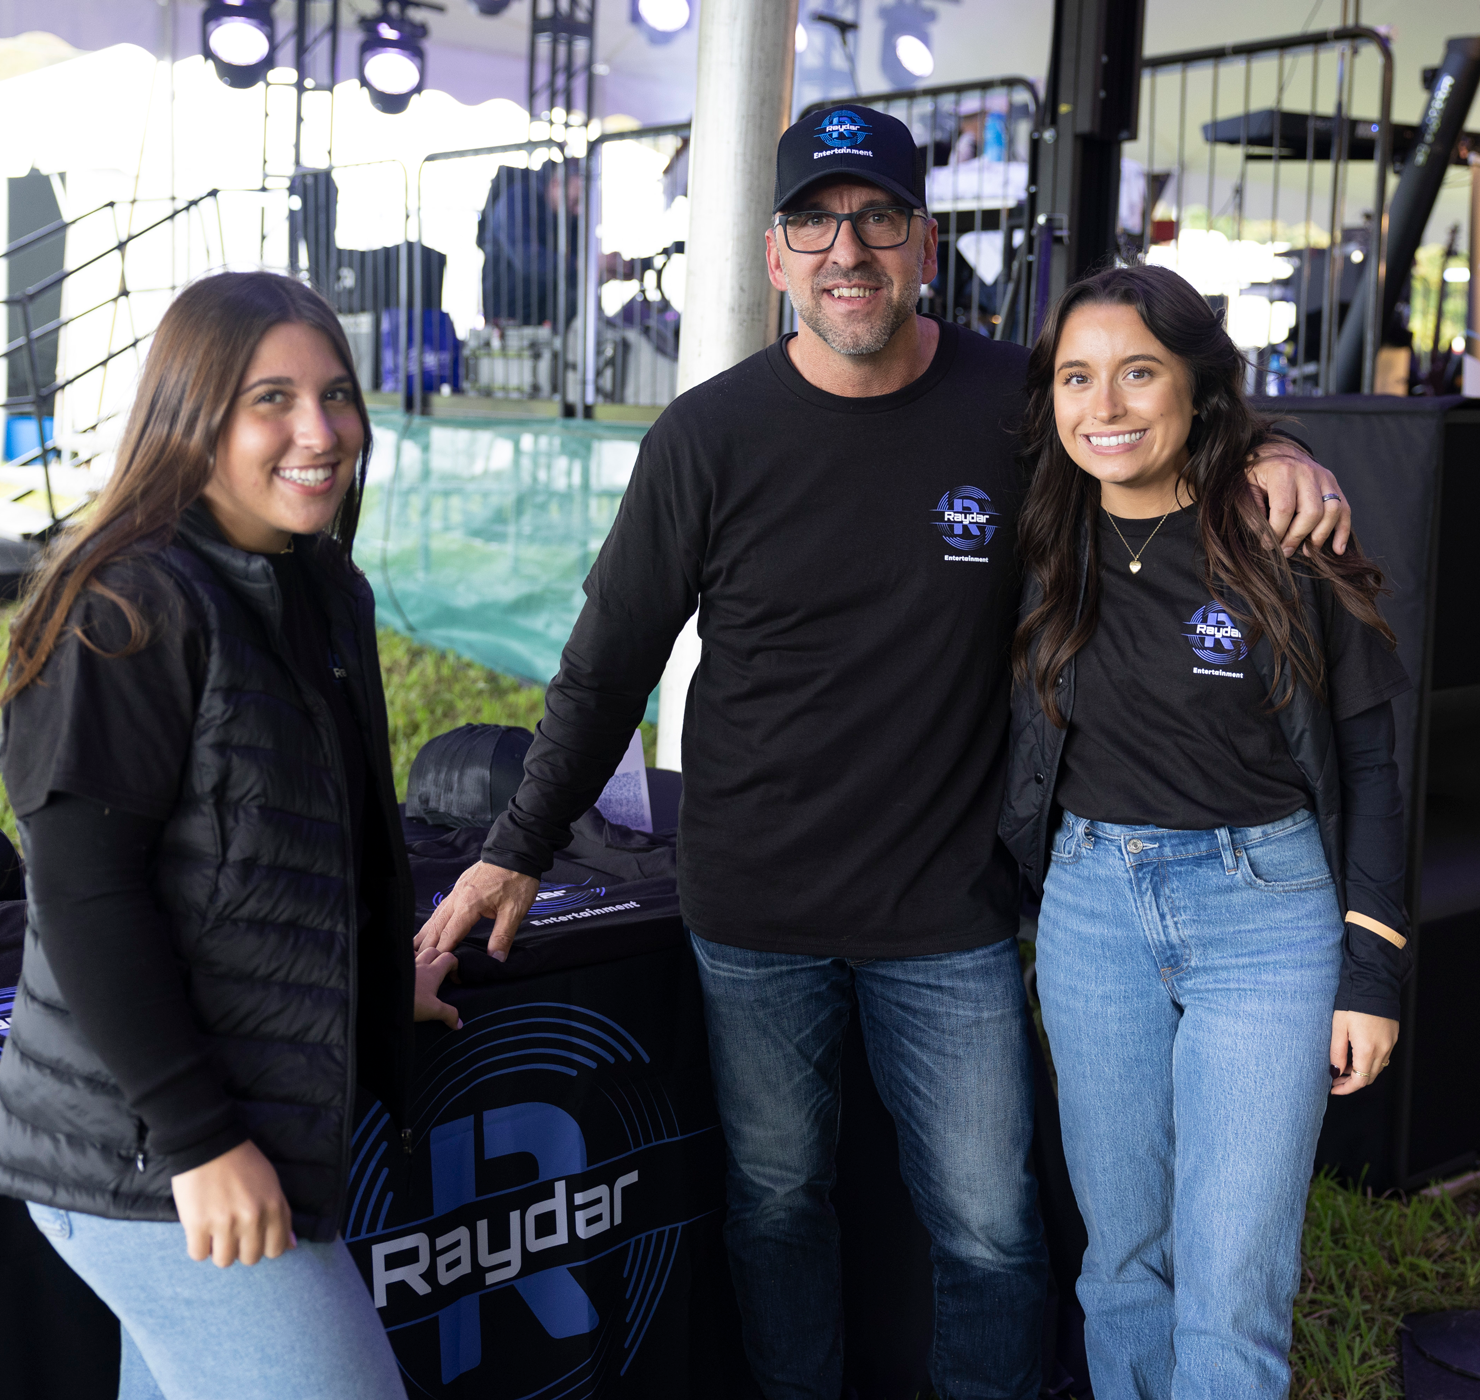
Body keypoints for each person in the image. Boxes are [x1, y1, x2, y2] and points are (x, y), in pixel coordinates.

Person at [415, 105, 1354, 1400]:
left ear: (922, 240)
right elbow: (606, 659)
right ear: (775, 253)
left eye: (875, 218)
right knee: (780, 1205)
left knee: (990, 1228)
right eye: (816, 220)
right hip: (756, 911)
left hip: (950, 912)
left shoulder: (1010, 408)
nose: (846, 247)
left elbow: (1148, 421)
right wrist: (515, 851)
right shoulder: (708, 435)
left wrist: (1280, 451)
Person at [0, 271, 461, 1400]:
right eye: (271, 399)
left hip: (227, 1119)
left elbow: (321, 838)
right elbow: (87, 897)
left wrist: (377, 979)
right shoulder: (126, 605)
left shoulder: (321, 585)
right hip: (147, 1150)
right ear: (191, 418)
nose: (320, 430)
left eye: (337, 394)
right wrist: (199, 1140)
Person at [999, 264, 1411, 1398]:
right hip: (1090, 903)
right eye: (1079, 377)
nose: (1109, 405)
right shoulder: (1041, 526)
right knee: (1121, 1259)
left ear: (1198, 385)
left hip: (1264, 910)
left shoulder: (1282, 527)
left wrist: (1370, 968)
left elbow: (1374, 757)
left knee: (1233, 1277)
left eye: (1141, 371)